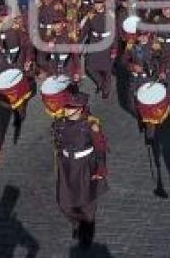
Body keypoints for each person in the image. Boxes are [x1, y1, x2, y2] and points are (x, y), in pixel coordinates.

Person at [51, 92, 108, 249]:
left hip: (85, 166)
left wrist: (100, 169)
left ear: (80, 109)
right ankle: (77, 223)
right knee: (64, 203)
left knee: (87, 205)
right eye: (66, 106)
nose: (66, 109)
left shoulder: (91, 126)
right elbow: (57, 142)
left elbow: (100, 149)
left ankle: (87, 235)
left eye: (70, 107)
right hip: (67, 166)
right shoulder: (59, 123)